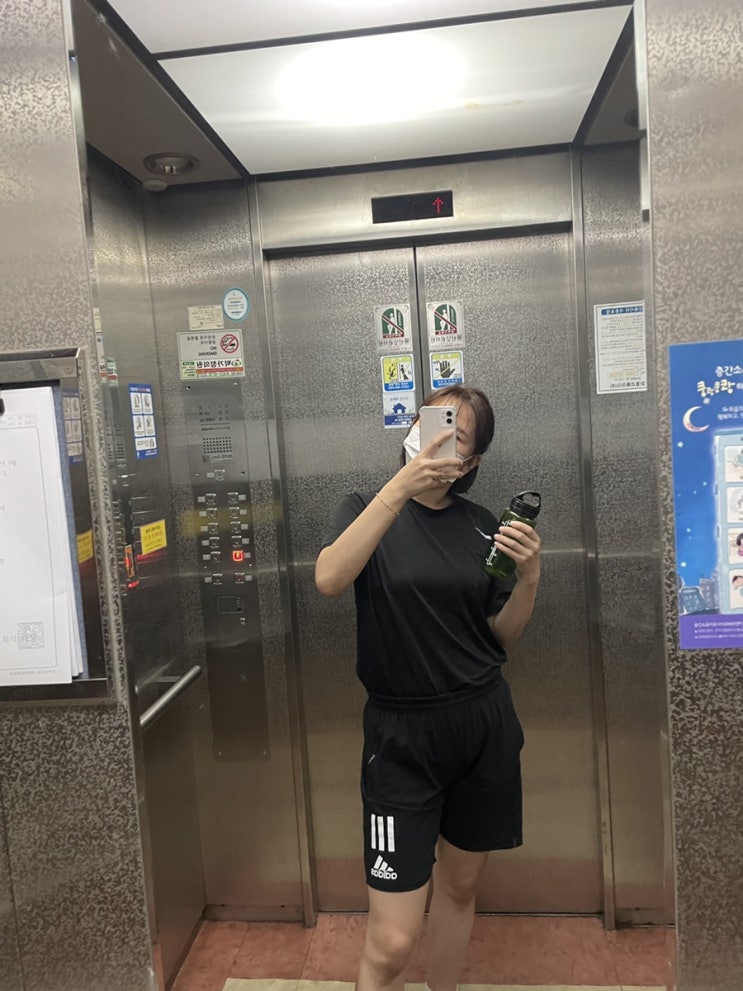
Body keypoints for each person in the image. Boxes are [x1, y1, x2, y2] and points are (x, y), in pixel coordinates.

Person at [315, 384, 542, 991]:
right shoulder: (363, 507)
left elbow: (499, 638)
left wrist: (529, 579)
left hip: (482, 728)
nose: (435, 440)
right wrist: (400, 489)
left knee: (460, 889)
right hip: (400, 741)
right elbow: (329, 578)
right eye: (430, 423)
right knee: (392, 940)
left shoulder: (482, 526)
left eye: (455, 436)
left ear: (470, 463)